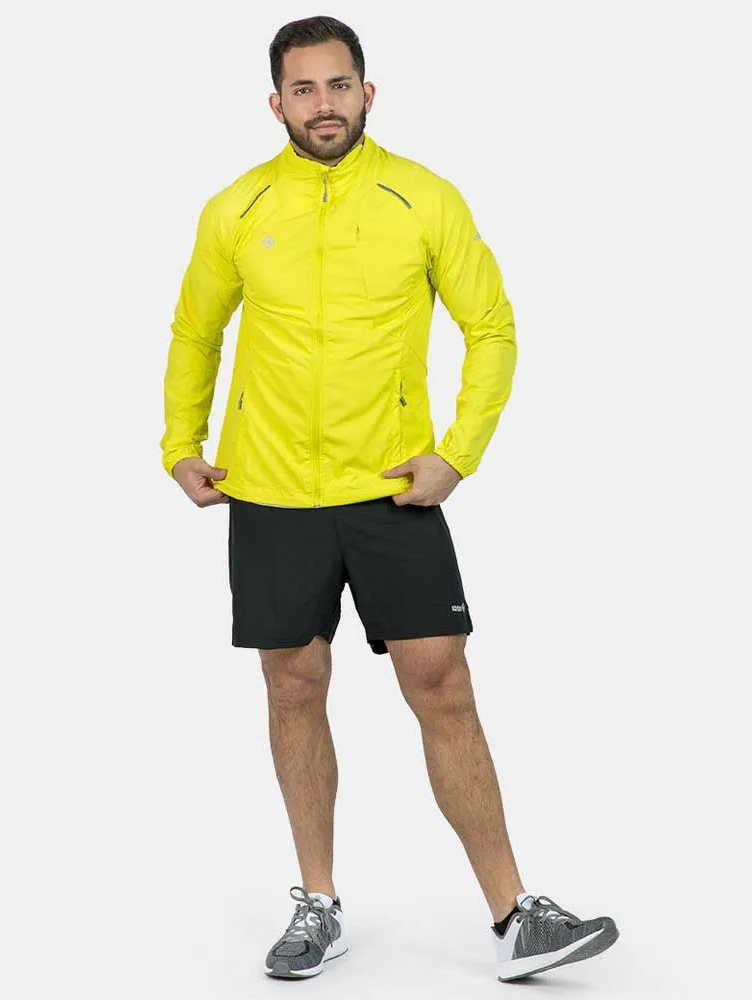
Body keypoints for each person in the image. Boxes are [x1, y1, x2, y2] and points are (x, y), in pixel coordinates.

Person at [159, 14, 618, 984]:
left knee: (442, 682)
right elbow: (196, 331)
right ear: (276, 103)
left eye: (338, 86)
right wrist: (180, 444)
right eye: (303, 89)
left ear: (368, 92)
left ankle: (515, 915)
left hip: (390, 489)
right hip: (270, 489)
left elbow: (491, 327)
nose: (322, 105)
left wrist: (459, 454)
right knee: (293, 684)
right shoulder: (236, 208)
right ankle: (318, 903)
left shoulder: (424, 197)